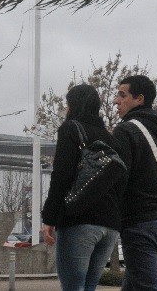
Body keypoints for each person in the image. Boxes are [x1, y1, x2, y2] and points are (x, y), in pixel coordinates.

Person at [41, 84, 124, 291]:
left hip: (79, 221)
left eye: (67, 104)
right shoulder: (111, 139)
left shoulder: (71, 129)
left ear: (74, 105)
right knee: (89, 287)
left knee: (73, 287)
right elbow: (121, 181)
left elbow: (61, 176)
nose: (66, 109)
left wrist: (49, 218)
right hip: (110, 226)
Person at [112, 75, 157, 291]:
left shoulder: (125, 131)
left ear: (139, 99)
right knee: (133, 284)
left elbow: (118, 179)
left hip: (139, 223)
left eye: (122, 95)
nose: (116, 101)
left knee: (147, 287)